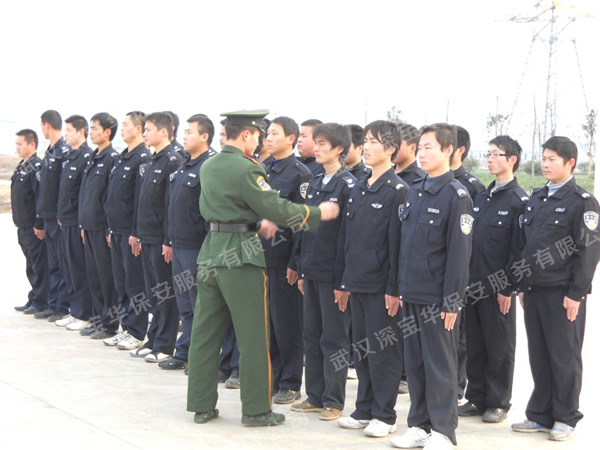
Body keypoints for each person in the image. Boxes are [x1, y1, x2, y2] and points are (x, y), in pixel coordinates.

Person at [186, 109, 340, 427]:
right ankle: (257, 409)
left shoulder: (210, 165)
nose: (259, 141)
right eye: (258, 135)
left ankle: (201, 405)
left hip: (211, 253)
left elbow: (222, 207)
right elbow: (276, 207)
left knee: (204, 335)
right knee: (254, 336)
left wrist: (255, 221)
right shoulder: (247, 168)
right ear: (246, 134)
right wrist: (316, 213)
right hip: (241, 256)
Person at [511, 136, 600, 442]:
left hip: (562, 294)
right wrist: (522, 285)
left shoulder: (582, 202)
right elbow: (525, 246)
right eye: (543, 158)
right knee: (539, 356)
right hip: (534, 290)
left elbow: (589, 251)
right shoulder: (537, 198)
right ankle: (540, 415)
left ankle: (565, 417)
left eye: (552, 159)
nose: (545, 164)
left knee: (564, 356)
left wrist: (576, 293)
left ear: (570, 163)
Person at [391, 123, 472, 450]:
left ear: (448, 150)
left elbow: (459, 255)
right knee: (415, 365)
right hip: (411, 293)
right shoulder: (415, 190)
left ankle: (443, 431)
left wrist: (452, 301)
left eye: (429, 148)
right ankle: (419, 425)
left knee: (440, 366)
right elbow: (406, 246)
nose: (422, 154)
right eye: (420, 148)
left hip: (438, 300)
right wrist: (400, 289)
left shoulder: (456, 196)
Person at [337, 120, 407, 438]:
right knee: (362, 349)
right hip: (357, 281)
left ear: (391, 149)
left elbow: (397, 246)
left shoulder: (398, 191)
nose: (366, 147)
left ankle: (385, 414)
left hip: (382, 287)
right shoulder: (358, 187)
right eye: (365, 140)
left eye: (374, 142)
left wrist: (394, 288)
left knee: (383, 352)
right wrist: (343, 282)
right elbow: (347, 239)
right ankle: (364, 409)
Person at [459, 136, 528, 423]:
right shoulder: (482, 197)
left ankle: (498, 402)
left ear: (512, 159)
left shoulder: (519, 201)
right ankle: (476, 397)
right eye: (487, 154)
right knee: (475, 344)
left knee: (499, 346)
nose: (489, 159)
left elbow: (520, 249)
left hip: (499, 287)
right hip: (473, 285)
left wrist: (509, 287)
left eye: (496, 154)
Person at [291, 123, 356, 421]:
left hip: (334, 276)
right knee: (312, 335)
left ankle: (334, 400)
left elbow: (347, 239)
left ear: (339, 149)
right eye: (314, 143)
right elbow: (305, 229)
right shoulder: (316, 181)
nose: (315, 148)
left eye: (322, 144)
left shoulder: (348, 186)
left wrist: (343, 282)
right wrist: (301, 269)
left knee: (334, 339)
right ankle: (315, 395)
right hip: (312, 271)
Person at [262, 116, 312, 404]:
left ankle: (290, 382)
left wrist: (295, 262)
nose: (268, 138)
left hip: (284, 262)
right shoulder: (264, 170)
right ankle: (273, 377)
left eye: (274, 133)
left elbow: (300, 224)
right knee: (267, 324)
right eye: (267, 133)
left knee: (287, 324)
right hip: (261, 258)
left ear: (291, 139)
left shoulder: (299, 175)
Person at [160, 114, 214, 371]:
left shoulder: (209, 167)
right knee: (185, 306)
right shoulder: (184, 165)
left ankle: (201, 358)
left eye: (190, 132)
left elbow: (208, 214)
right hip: (179, 247)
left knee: (200, 306)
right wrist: (168, 240)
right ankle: (184, 352)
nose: (185, 136)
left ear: (204, 136)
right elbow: (172, 206)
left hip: (196, 249)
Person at [130, 112, 183, 362]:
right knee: (153, 293)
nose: (145, 134)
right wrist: (137, 233)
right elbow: (142, 201)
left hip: (161, 239)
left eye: (149, 129)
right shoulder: (151, 161)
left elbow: (170, 205)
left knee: (165, 293)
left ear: (164, 132)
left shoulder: (173, 161)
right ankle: (153, 340)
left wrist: (168, 240)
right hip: (147, 235)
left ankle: (165, 344)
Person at [103, 111, 151, 350]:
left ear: (138, 129)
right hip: (116, 230)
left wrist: (135, 232)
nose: (121, 129)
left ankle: (137, 331)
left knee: (135, 285)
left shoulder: (142, 158)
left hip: (131, 233)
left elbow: (140, 200)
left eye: (125, 125)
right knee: (121, 284)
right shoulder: (123, 157)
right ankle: (125, 328)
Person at [450, 125, 485, 403]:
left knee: (460, 334)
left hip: (464, 273)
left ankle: (457, 388)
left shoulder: (472, 187)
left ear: (458, 150)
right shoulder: (426, 184)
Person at [78, 113, 120, 340]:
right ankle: (97, 320)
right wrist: (83, 224)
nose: (91, 132)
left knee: (106, 279)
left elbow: (109, 198)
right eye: (91, 128)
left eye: (95, 128)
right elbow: (87, 194)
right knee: (93, 277)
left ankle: (109, 324)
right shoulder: (93, 157)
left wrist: (107, 229)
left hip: (102, 229)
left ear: (107, 132)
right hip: (89, 226)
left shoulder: (112, 158)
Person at [55, 115, 94, 331]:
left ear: (81, 132)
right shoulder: (70, 157)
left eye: (69, 130)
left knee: (79, 268)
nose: (66, 134)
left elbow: (83, 194)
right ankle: (74, 310)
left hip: (77, 222)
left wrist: (80, 222)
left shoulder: (86, 157)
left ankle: (84, 313)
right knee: (68, 268)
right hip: (66, 221)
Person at [34, 110, 71, 321]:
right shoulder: (50, 152)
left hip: (58, 218)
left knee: (61, 262)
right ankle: (53, 303)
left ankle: (62, 306)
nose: (41, 129)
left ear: (47, 125)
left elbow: (62, 189)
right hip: (48, 216)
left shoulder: (63, 152)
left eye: (41, 125)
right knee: (53, 263)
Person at [11, 129, 48, 314]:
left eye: (20, 144)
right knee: (31, 265)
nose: (17, 147)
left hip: (33, 227)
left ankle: (41, 301)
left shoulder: (36, 167)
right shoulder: (23, 165)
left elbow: (40, 197)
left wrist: (38, 223)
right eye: (16, 144)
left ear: (32, 144)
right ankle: (34, 297)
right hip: (22, 225)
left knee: (39, 265)